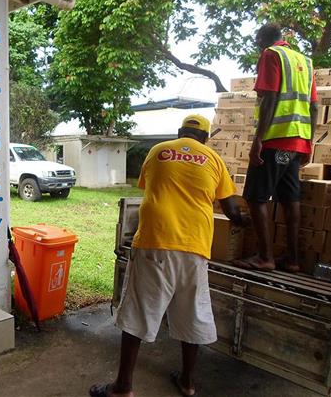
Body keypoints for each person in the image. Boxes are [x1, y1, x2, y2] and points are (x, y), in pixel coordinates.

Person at [89, 115, 248, 397]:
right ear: (206, 138)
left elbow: (148, 187)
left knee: (139, 311)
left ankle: (123, 387)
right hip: (195, 247)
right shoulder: (214, 159)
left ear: (179, 132)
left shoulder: (157, 151)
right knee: (192, 314)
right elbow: (232, 212)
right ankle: (187, 382)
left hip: (156, 240)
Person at [232, 23, 318, 272]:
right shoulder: (306, 61)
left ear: (262, 40)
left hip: (275, 139)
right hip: (298, 141)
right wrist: (309, 142)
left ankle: (265, 257)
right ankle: (292, 259)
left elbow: (269, 98)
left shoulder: (271, 54)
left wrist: (258, 139)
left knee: (255, 196)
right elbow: (313, 107)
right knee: (290, 198)